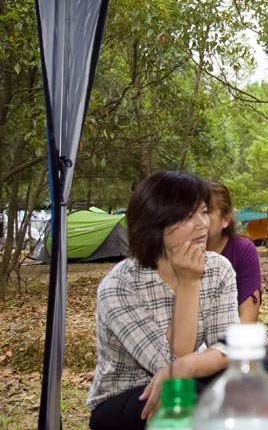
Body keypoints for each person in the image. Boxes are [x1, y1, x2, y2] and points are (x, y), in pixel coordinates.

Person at [87, 171, 239, 430]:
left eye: (203, 212)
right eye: (187, 216)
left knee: (249, 375)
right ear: (155, 223)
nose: (202, 224)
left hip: (186, 379)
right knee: (188, 396)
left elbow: (229, 346)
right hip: (126, 397)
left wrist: (186, 366)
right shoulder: (120, 286)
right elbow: (167, 363)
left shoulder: (218, 268)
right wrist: (189, 284)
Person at [207, 181, 262, 324]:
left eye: (206, 212)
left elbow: (248, 319)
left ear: (225, 219)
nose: (198, 219)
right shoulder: (176, 249)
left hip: (229, 333)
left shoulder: (242, 250)